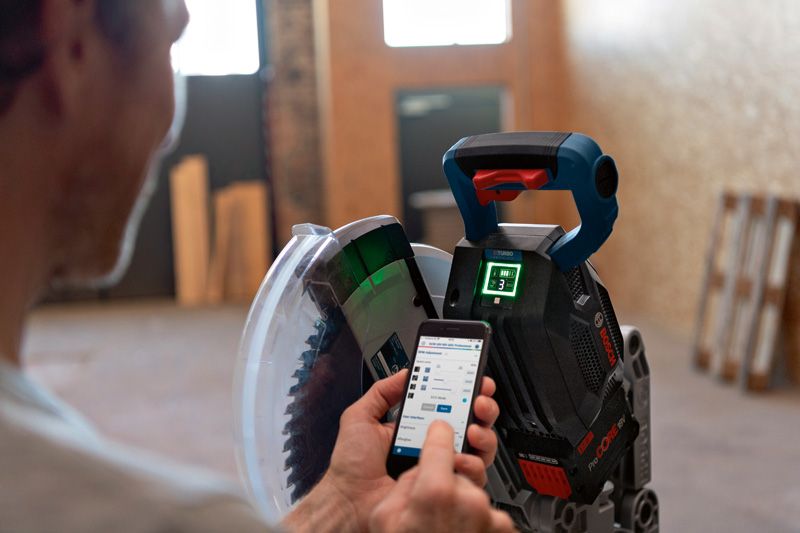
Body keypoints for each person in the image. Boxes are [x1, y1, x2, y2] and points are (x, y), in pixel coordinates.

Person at [0, 1, 515, 532]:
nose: (170, 131)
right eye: (171, 41)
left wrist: (336, 501)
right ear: (70, 37)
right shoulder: (168, 518)